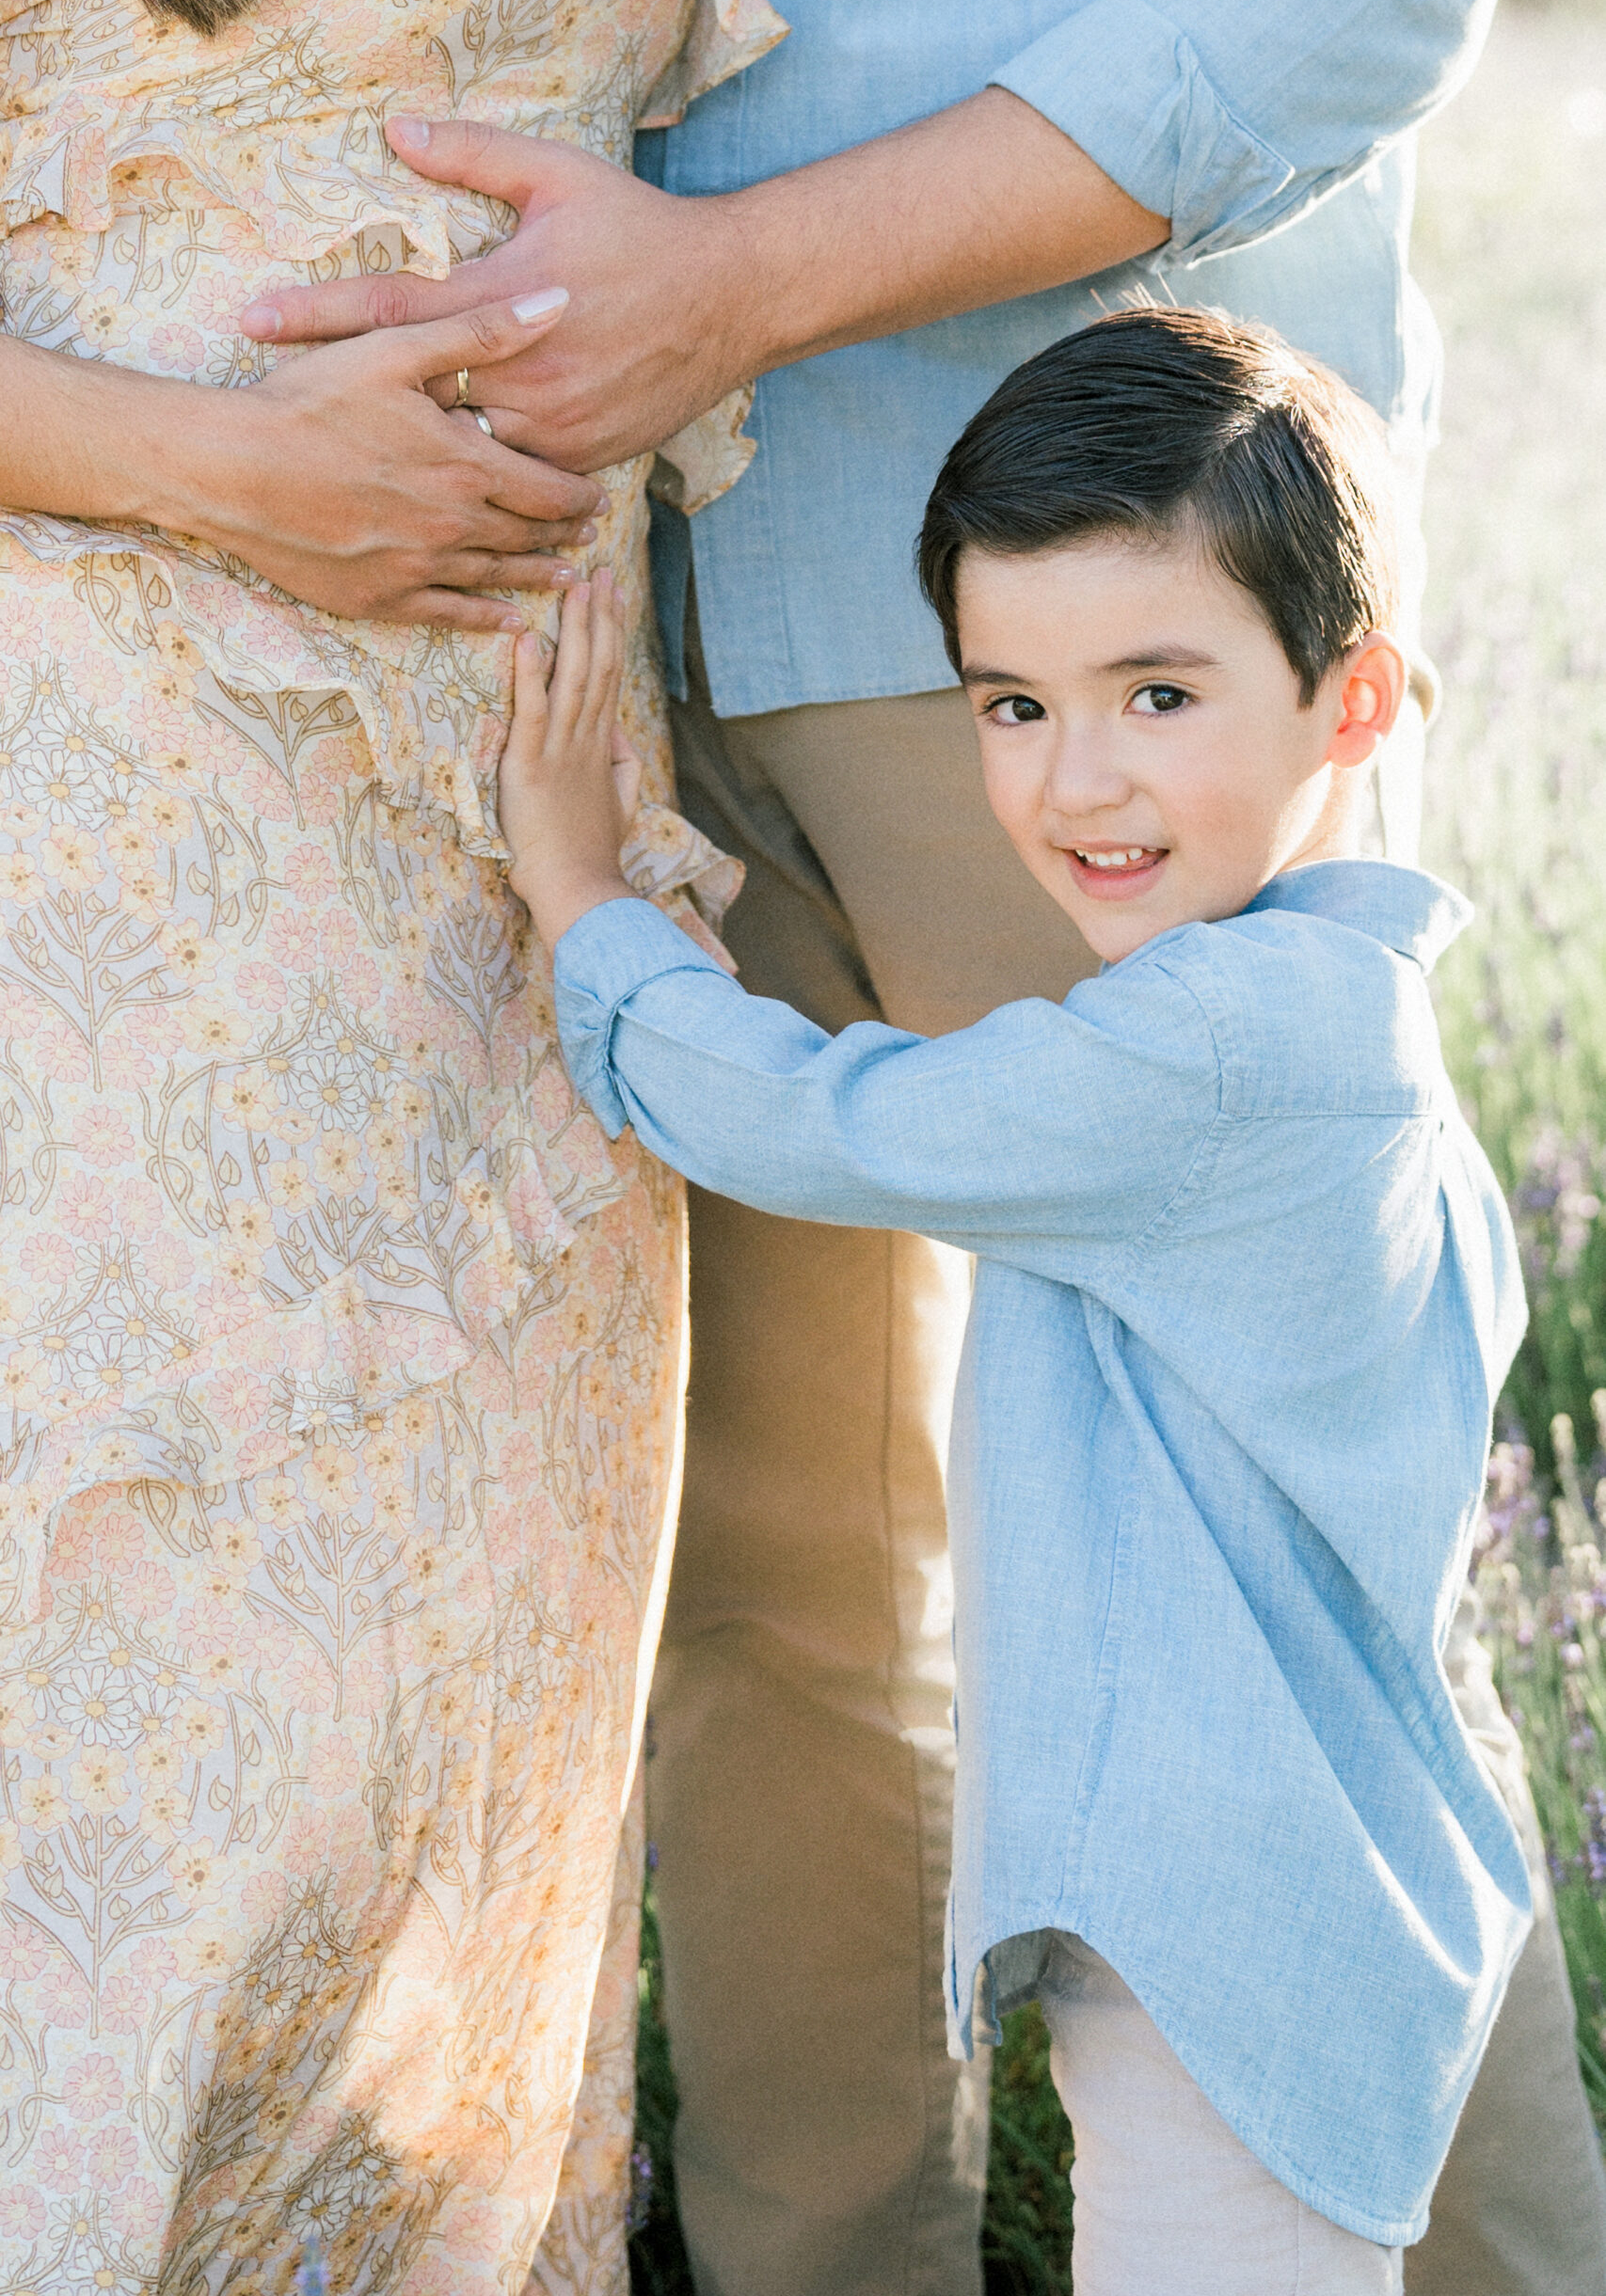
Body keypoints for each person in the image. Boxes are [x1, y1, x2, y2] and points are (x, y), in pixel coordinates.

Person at [247, 0, 1606, 2289]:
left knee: (1285, 1570)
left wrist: (741, 276)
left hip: (1096, 609)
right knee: (767, 1603)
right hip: (581, 591)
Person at [495, 305, 1537, 2295]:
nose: (1075, 781)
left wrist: (584, 909)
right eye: (1006, 703)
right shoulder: (1325, 1000)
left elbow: (836, 1126)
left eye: (1156, 692)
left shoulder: (1217, 1053)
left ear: (1353, 702)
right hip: (1270, 1891)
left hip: (1231, 1914)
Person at [0, 0, 779, 2289]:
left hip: (518, 898)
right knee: (133, 1779)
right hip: (138, 892)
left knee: (451, 1802)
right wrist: (222, 470)